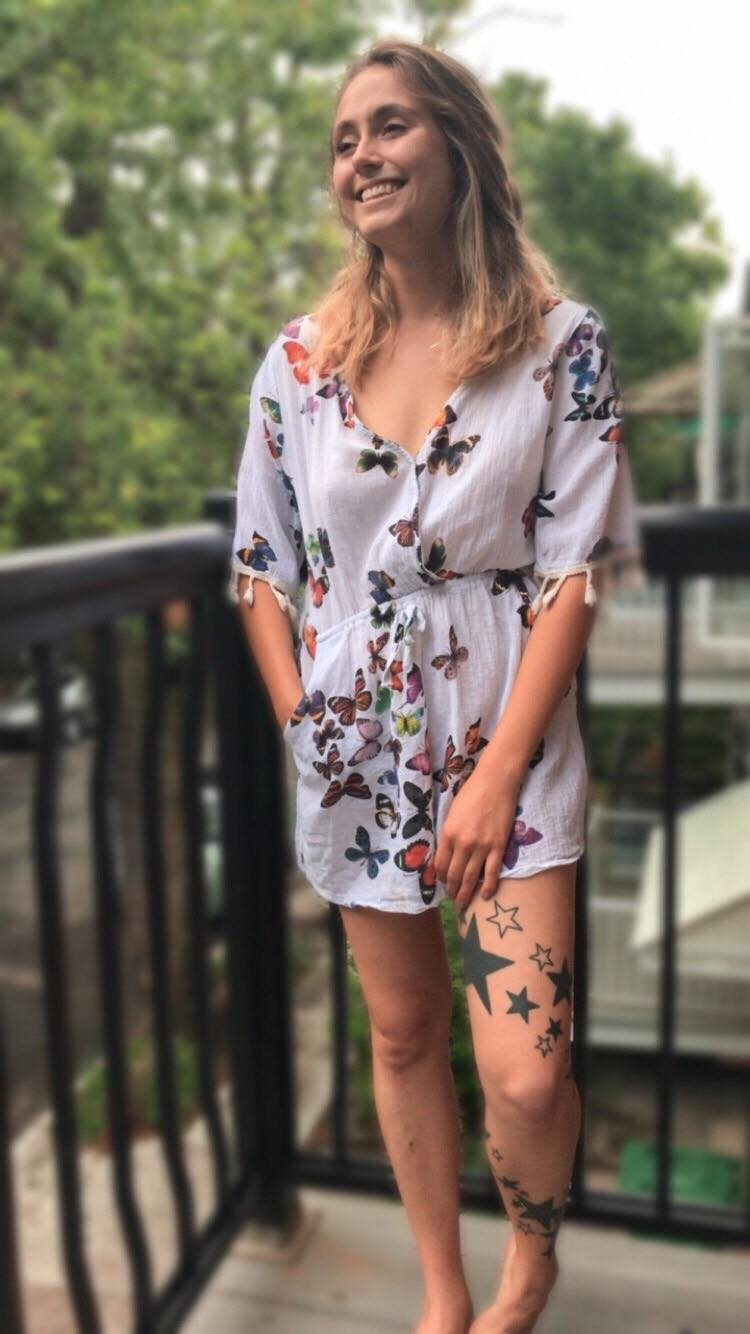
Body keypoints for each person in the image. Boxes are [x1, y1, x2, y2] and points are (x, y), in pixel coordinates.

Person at [228, 35, 643, 1334]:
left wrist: (501, 771)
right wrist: (304, 722)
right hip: (356, 747)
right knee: (403, 1034)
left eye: (391, 125)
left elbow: (575, 572)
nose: (362, 155)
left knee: (525, 1073)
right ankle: (443, 1292)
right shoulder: (302, 363)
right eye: (344, 140)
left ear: (458, 145)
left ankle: (532, 1249)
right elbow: (261, 567)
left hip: (506, 739)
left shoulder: (559, 344)